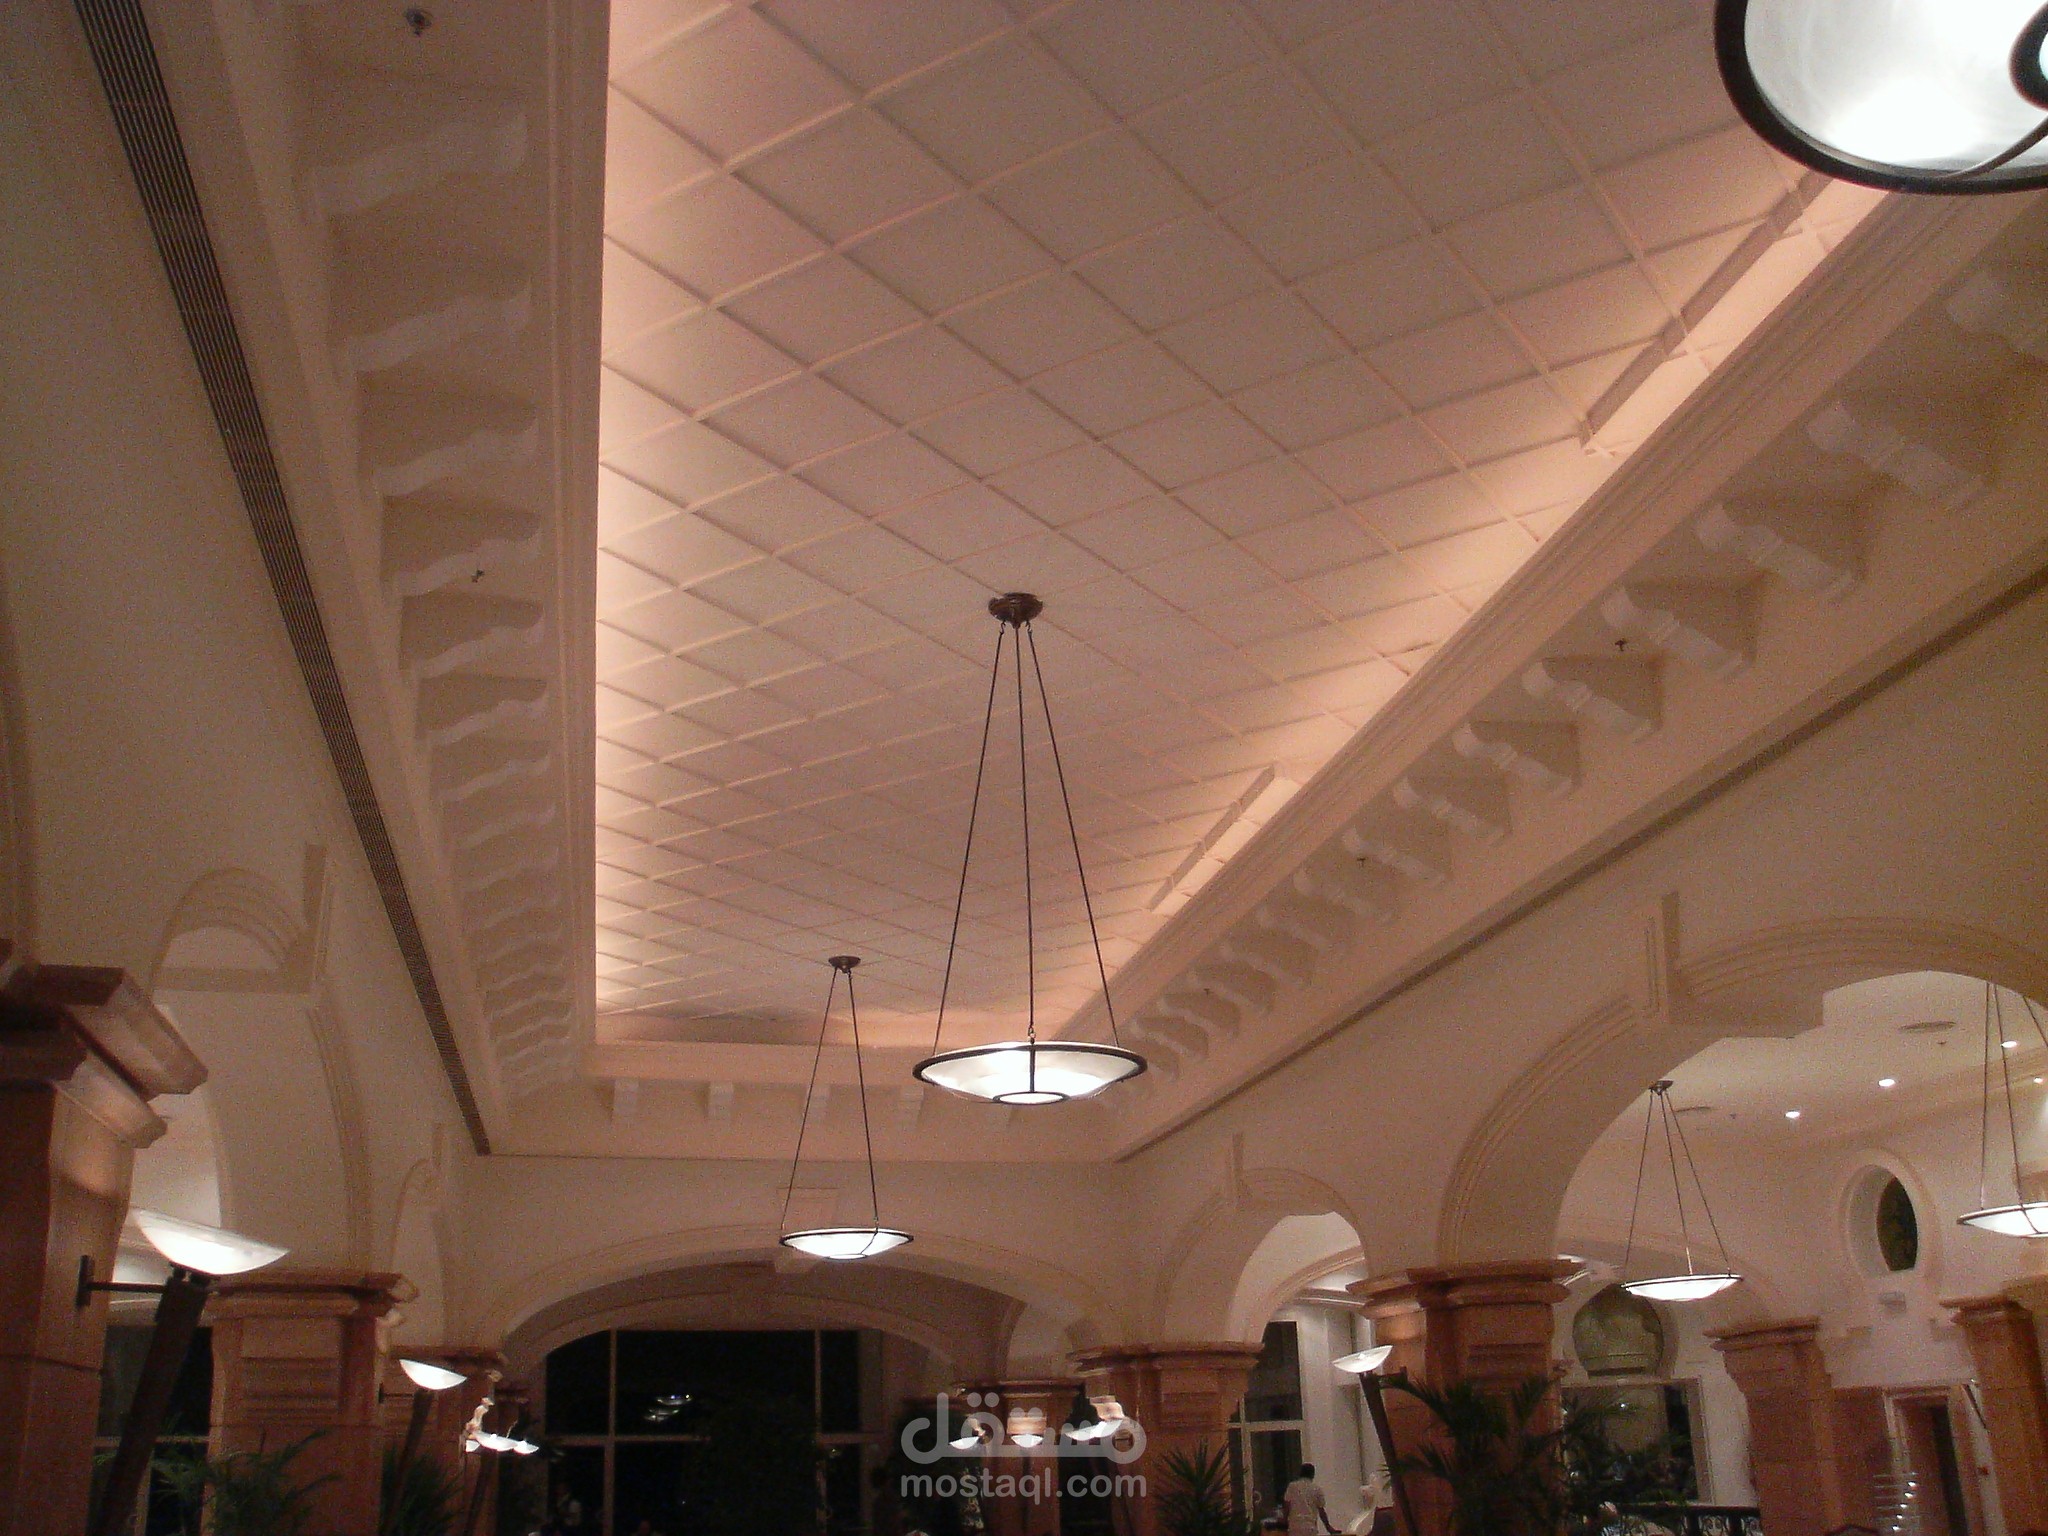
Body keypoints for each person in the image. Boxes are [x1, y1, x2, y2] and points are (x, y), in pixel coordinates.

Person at [1282, 1463, 1339, 1536]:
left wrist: (1284, 1521)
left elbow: (1287, 1506)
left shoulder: (1292, 1486)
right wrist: (1328, 1527)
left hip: (1295, 1526)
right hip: (1310, 1527)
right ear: (1312, 1475)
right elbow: (1321, 1512)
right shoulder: (1317, 1489)